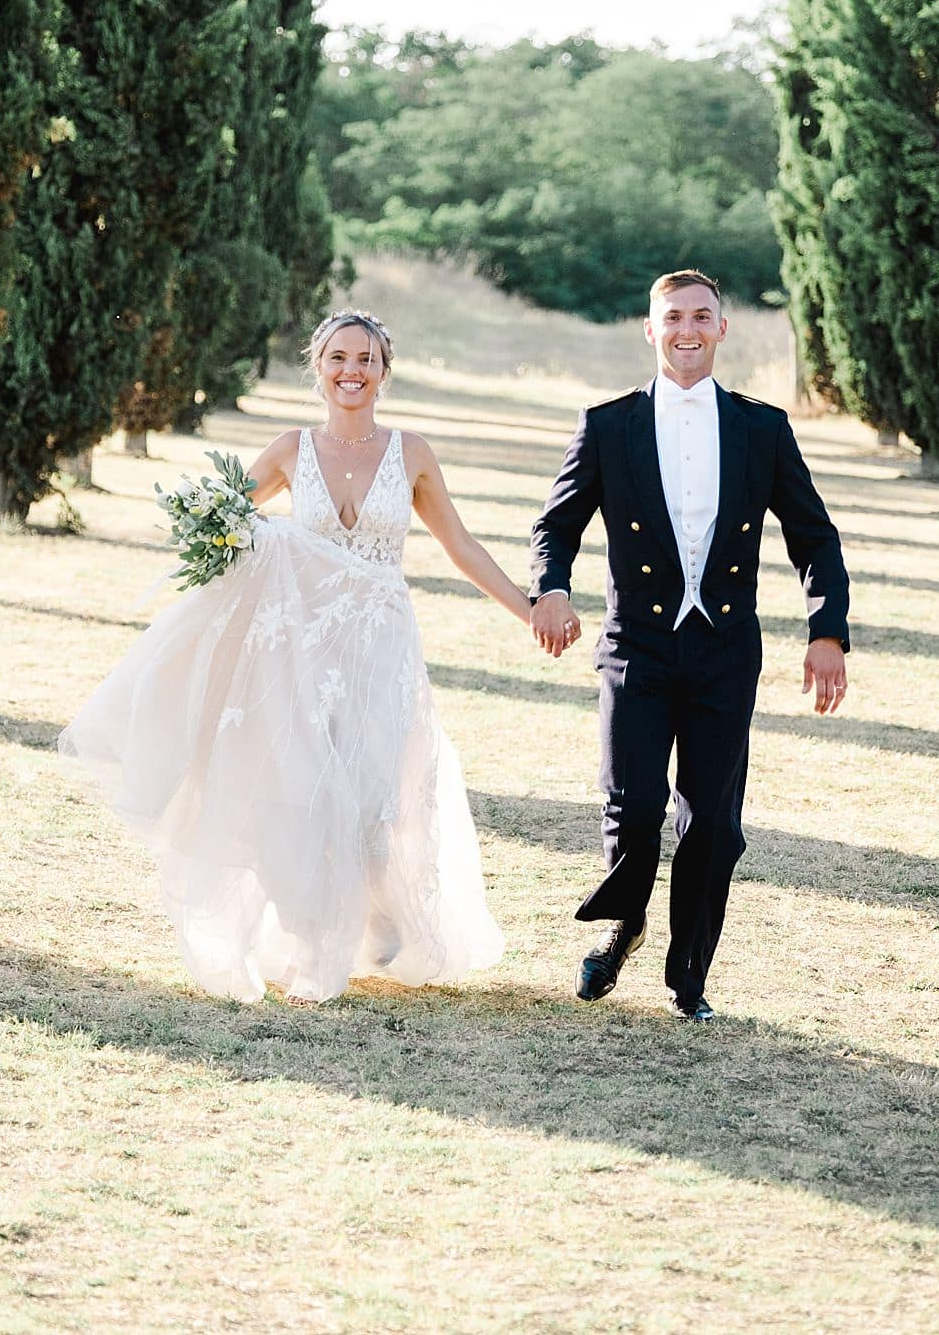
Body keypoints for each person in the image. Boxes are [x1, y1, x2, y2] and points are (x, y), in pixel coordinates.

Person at [60, 310, 546, 1005]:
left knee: (377, 792)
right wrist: (216, 535)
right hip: (303, 647)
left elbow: (461, 547)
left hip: (381, 643)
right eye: (339, 358)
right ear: (317, 368)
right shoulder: (291, 451)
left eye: (367, 359)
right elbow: (223, 522)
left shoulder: (412, 454)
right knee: (301, 788)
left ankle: (378, 917)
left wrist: (528, 609)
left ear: (384, 371)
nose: (352, 371)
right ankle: (314, 940)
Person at [529, 269, 849, 1021]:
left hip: (725, 649)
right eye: (672, 317)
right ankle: (626, 921)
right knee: (633, 806)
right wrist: (551, 587)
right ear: (651, 329)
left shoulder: (761, 428)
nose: (687, 330)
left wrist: (827, 629)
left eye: (702, 316)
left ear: (722, 329)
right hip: (636, 645)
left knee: (712, 824)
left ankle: (689, 978)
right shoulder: (608, 426)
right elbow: (557, 525)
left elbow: (813, 535)